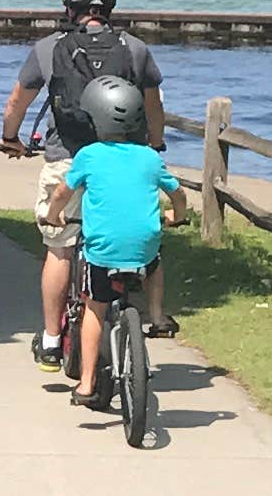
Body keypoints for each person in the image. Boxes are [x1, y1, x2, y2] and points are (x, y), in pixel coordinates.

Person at [0, 0, 169, 360]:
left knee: (59, 248)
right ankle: (149, 313)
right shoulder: (135, 48)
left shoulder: (48, 48)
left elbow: (16, 104)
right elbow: (154, 107)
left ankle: (51, 339)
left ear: (69, 10)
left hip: (68, 159)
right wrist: (155, 143)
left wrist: (11, 138)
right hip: (124, 162)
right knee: (134, 233)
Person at [59, 78, 185, 408]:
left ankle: (87, 382)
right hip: (144, 245)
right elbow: (177, 193)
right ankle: (156, 316)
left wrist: (53, 214)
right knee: (155, 261)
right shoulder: (149, 157)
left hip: (103, 251)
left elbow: (62, 192)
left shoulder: (88, 155)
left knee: (95, 308)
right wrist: (177, 215)